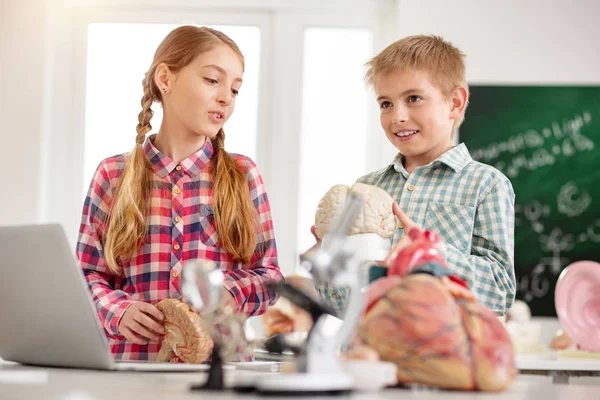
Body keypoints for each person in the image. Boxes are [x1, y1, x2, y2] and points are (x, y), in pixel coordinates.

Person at [76, 26, 283, 361]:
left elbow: (269, 275)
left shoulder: (243, 175)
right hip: (132, 372)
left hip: (219, 372)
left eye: (235, 88)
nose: (226, 97)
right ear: (165, 79)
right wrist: (118, 310)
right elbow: (87, 275)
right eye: (212, 80)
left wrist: (226, 293)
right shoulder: (113, 175)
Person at [313, 35, 515, 317]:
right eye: (386, 104)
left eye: (413, 98)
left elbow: (499, 292)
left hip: (443, 357)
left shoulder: (486, 185)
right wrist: (330, 262)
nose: (398, 116)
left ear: (455, 103)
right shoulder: (366, 187)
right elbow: (344, 307)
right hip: (370, 353)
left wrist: (431, 251)